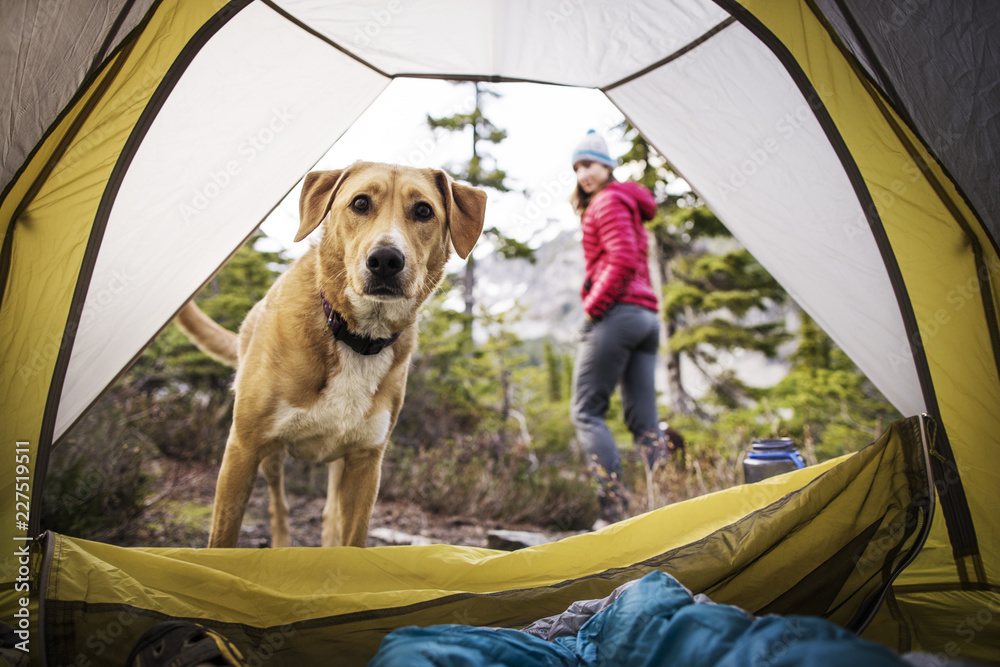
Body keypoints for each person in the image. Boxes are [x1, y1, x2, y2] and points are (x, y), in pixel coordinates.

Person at [568, 130, 667, 523]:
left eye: (589, 164)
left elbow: (622, 260)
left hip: (619, 315)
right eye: (577, 167)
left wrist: (592, 309)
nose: (582, 174)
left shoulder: (607, 202)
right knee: (643, 419)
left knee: (587, 412)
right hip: (646, 318)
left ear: (607, 166)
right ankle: (667, 500)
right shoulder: (625, 201)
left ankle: (613, 511)